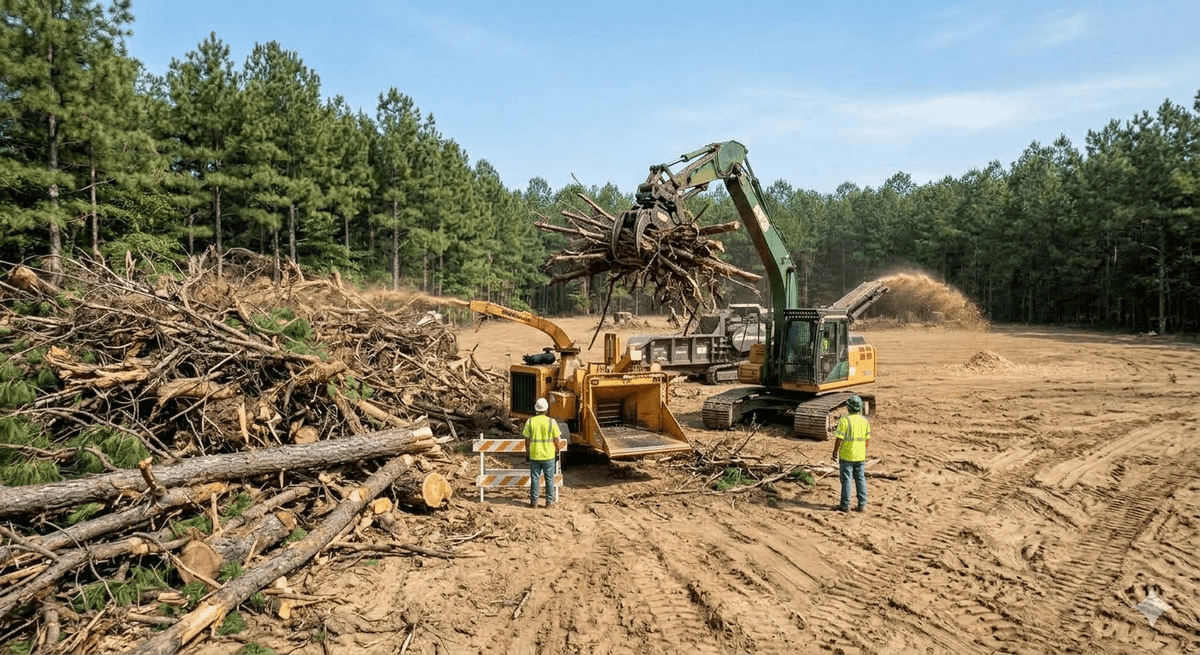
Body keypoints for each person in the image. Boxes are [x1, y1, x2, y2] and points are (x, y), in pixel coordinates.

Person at [831, 395, 870, 513]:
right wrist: (863, 451)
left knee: (846, 479)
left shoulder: (845, 420)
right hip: (860, 455)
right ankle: (862, 505)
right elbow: (867, 439)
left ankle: (845, 505)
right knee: (860, 479)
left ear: (848, 408)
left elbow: (839, 439)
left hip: (847, 455)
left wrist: (835, 452)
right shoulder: (864, 421)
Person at [522, 397, 561, 509]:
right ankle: (549, 502)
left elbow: (526, 439)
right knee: (549, 479)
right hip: (549, 455)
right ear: (546, 410)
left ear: (536, 409)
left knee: (535, 478)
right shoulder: (551, 422)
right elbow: (557, 439)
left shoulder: (530, 421)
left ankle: (534, 502)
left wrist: (527, 452)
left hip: (534, 455)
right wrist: (557, 451)